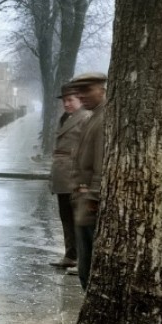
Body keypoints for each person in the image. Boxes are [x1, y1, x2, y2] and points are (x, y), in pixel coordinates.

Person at [68, 72, 108, 290]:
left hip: (91, 202)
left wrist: (93, 197)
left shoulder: (103, 119)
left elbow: (101, 163)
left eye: (87, 90)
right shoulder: (93, 116)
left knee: (89, 262)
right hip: (83, 198)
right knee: (85, 258)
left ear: (102, 89)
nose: (81, 96)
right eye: (79, 91)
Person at [49, 82, 91, 270]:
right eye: (64, 101)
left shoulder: (86, 118)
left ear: (80, 100)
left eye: (70, 100)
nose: (66, 104)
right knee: (66, 217)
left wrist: (84, 180)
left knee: (79, 220)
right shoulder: (66, 117)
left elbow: (88, 150)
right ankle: (71, 255)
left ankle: (83, 260)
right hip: (63, 176)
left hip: (75, 175)